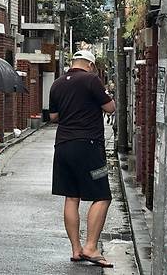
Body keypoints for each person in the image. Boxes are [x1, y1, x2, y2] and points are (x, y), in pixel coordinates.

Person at [49, 50, 116, 268]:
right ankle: (91, 246)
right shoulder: (91, 80)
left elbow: (53, 117)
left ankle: (76, 249)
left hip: (63, 147)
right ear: (91, 65)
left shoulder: (57, 84)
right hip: (89, 148)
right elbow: (110, 107)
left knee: (71, 197)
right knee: (103, 196)